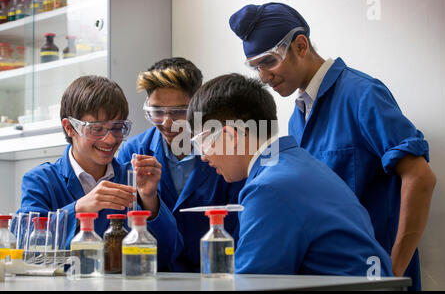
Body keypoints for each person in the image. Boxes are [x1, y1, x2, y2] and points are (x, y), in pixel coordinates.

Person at [228, 2, 436, 289]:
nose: (263, 77)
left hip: (373, 277)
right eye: (256, 68)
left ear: (300, 45)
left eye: (268, 62)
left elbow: (421, 177)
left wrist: (393, 272)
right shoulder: (296, 118)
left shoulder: (363, 94)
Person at [186, 73, 393, 277]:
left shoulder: (268, 189)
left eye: (201, 143)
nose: (203, 156)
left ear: (229, 136)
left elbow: (250, 288)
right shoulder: (298, 165)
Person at [17, 75, 182, 268]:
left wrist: (149, 199)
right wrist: (78, 208)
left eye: (118, 128)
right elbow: (27, 249)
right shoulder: (41, 181)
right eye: (96, 129)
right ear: (69, 127)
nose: (110, 140)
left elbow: (168, 254)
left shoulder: (134, 178)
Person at [117, 57, 244, 272]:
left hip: (218, 274)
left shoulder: (225, 149)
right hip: (155, 274)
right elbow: (124, 225)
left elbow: (241, 220)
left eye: (178, 112)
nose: (167, 123)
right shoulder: (134, 152)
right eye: (157, 112)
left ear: (198, 105)